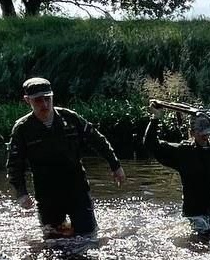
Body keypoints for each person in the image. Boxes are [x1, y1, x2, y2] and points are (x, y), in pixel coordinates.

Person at [6, 76, 126, 236]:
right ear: (27, 100)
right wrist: (21, 193)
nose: (45, 104)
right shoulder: (22, 129)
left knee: (88, 237)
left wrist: (115, 166)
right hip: (47, 194)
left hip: (77, 188)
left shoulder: (70, 118)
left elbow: (97, 140)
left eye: (48, 99)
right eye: (38, 101)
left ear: (52, 96)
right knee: (54, 242)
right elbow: (14, 165)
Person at [143, 101, 210, 233]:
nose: (205, 136)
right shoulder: (184, 152)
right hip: (192, 216)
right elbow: (151, 145)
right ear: (192, 132)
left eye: (207, 132)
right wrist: (155, 118)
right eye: (200, 132)